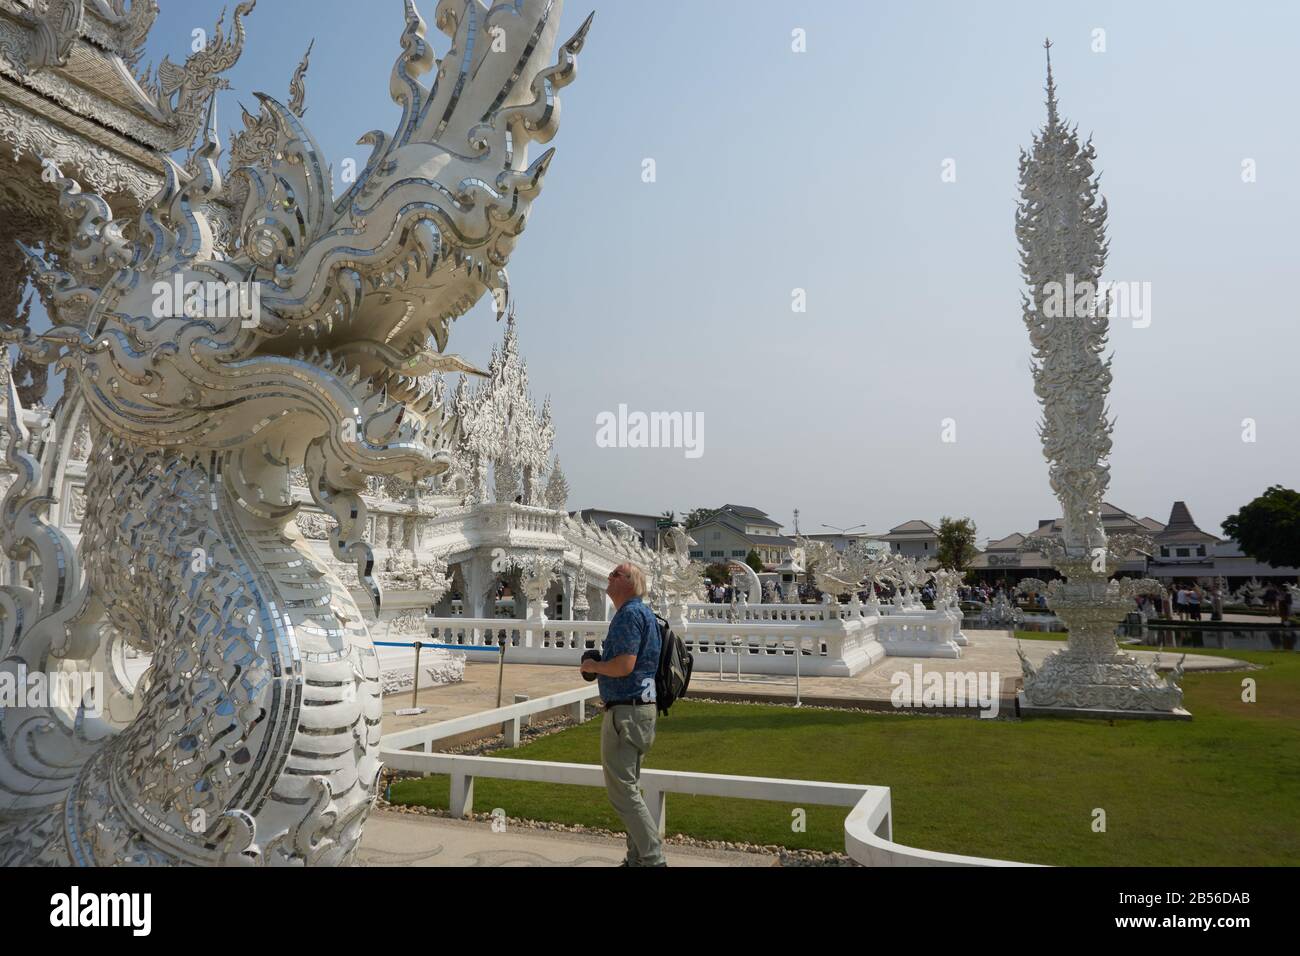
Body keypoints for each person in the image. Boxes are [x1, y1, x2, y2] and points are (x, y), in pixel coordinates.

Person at [580, 562, 665, 867]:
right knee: (629, 789)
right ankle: (637, 859)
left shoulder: (629, 614)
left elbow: (625, 665)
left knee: (623, 794)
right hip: (640, 709)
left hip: (626, 713)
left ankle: (653, 859)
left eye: (616, 574)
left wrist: (593, 667)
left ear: (631, 583)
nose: (609, 576)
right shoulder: (641, 613)